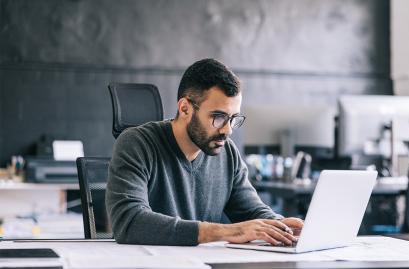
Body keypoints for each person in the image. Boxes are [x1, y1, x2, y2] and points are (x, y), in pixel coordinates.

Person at [106, 58, 303, 246]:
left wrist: (282, 226)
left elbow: (251, 210)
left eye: (234, 118)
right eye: (218, 117)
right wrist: (227, 232)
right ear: (185, 109)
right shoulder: (136, 144)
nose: (227, 130)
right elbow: (129, 222)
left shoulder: (228, 153)